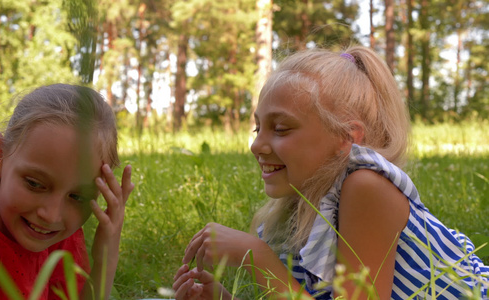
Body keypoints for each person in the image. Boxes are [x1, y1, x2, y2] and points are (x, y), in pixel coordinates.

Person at [172, 46, 489, 300]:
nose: (257, 145)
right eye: (258, 127)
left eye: (280, 128)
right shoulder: (298, 206)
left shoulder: (367, 186)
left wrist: (259, 259)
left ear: (346, 138)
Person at [0, 84, 135, 299]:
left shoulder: (55, 231)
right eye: (34, 184)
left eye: (77, 196)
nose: (51, 215)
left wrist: (106, 257)